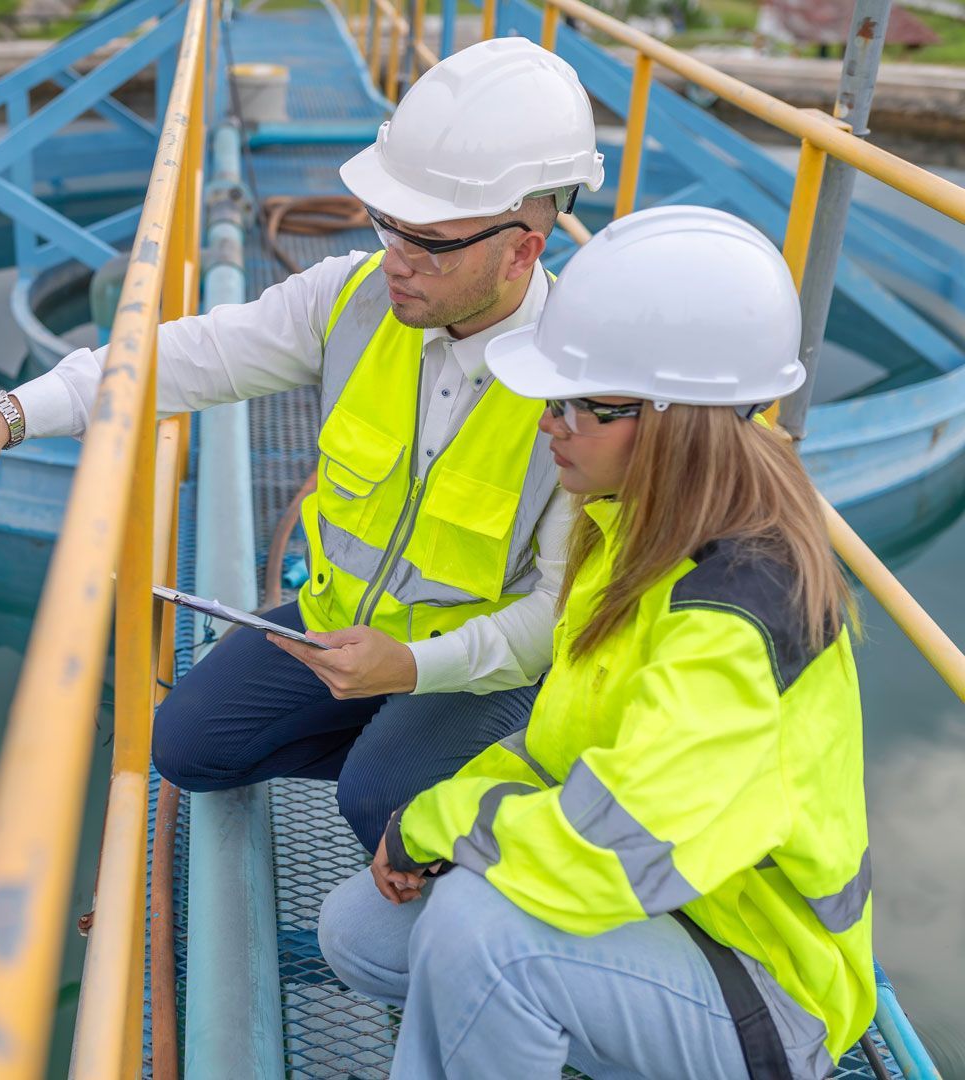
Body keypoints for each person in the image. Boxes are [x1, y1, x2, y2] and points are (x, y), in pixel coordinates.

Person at [0, 37, 607, 850]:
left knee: (381, 801)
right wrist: (2, 417)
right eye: (387, 223)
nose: (395, 259)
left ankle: (481, 756)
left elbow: (556, 612)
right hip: (338, 626)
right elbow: (175, 359)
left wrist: (416, 671)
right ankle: (415, 753)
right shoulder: (350, 300)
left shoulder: (584, 394)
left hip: (480, 670)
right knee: (189, 748)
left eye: (427, 242)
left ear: (521, 249)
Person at [315, 205, 874, 1080]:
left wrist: (439, 826)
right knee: (362, 934)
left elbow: (614, 846)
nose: (550, 426)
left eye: (583, 407)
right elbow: (557, 751)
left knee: (481, 940)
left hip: (762, 978)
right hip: (666, 909)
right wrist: (424, 826)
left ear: (675, 420)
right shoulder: (627, 531)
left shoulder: (741, 606)